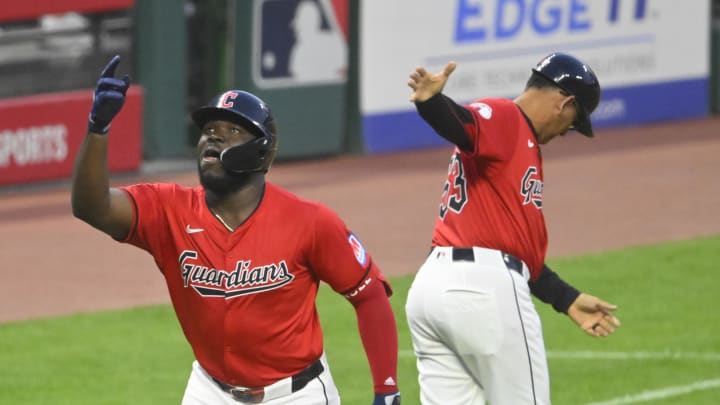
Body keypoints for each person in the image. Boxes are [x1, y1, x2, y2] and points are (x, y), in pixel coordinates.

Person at [71, 55, 401, 405]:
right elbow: (92, 207)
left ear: (260, 150)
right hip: (209, 391)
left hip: (296, 395)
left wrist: (387, 389)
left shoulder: (310, 222)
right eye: (209, 131)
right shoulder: (168, 209)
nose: (214, 138)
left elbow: (369, 295)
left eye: (232, 132)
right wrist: (98, 128)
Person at [403, 52, 622, 405]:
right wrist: (432, 103)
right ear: (564, 103)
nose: (568, 131)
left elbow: (518, 248)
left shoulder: (520, 145)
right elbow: (460, 124)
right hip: (482, 292)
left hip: (432, 289)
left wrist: (566, 299)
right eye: (575, 119)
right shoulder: (506, 118)